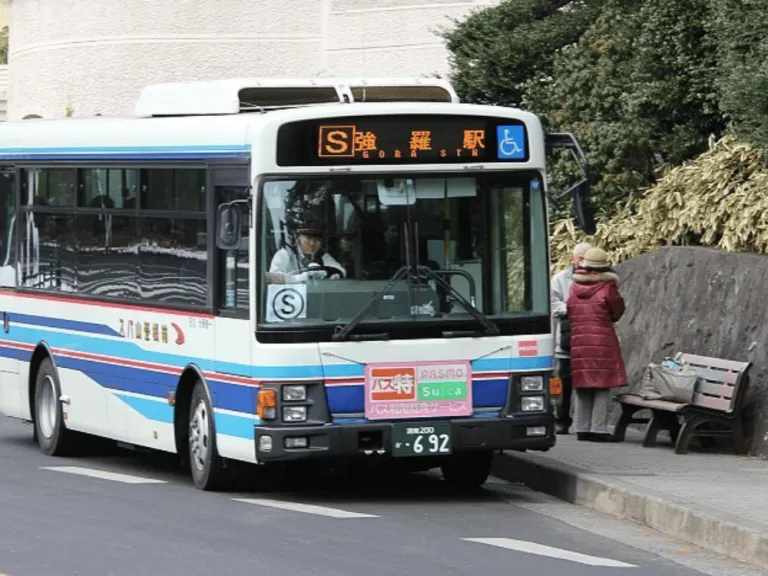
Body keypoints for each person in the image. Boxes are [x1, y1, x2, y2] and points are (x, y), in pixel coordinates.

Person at [567, 247, 627, 442]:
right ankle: (598, 429)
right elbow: (617, 310)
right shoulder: (607, 287)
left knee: (583, 384)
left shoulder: (574, 287)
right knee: (602, 385)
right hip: (602, 340)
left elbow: (570, 311)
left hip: (579, 340)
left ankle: (581, 427)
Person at [550, 242, 591, 434]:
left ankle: (585, 424)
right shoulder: (559, 279)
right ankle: (561, 419)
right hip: (565, 341)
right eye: (580, 258)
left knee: (586, 383)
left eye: (587, 258)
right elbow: (552, 305)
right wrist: (573, 309)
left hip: (589, 341)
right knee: (562, 384)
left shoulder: (598, 278)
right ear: (573, 259)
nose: (583, 262)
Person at [267, 215, 347, 284]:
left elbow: (341, 271)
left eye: (317, 240)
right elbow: (272, 278)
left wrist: (327, 273)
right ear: (298, 238)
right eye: (308, 238)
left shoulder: (322, 256)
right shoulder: (285, 254)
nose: (312, 243)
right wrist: (299, 278)